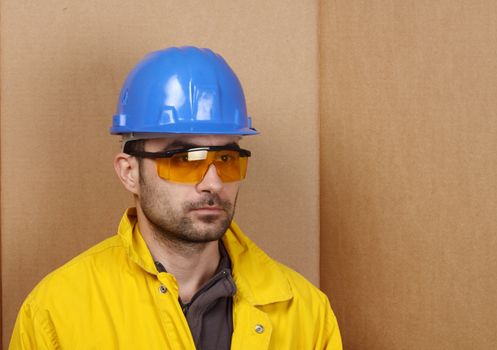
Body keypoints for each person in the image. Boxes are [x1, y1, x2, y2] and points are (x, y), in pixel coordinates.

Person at [9, 46, 342, 349]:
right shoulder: (57, 313)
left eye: (226, 159)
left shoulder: (304, 313)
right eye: (184, 159)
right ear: (129, 172)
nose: (212, 182)